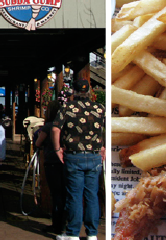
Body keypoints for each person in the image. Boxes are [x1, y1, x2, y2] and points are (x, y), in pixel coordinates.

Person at [52, 79, 106, 240]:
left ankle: (73, 234)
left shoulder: (67, 108)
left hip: (74, 155)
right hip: (94, 155)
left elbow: (56, 128)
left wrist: (56, 149)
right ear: (89, 91)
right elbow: (106, 129)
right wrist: (103, 146)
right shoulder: (99, 108)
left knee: (74, 195)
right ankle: (92, 234)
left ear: (73, 91)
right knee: (92, 195)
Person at [35, 100, 65, 234]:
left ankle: (57, 224)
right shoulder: (66, 124)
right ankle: (64, 223)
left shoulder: (48, 126)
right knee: (65, 193)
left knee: (56, 194)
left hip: (52, 161)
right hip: (65, 162)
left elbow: (38, 142)